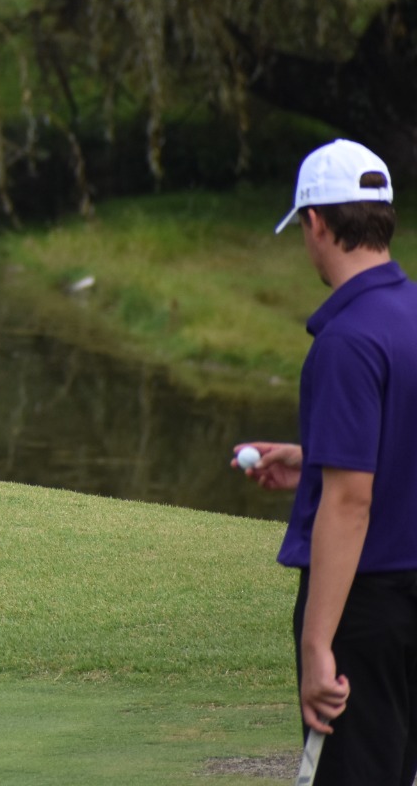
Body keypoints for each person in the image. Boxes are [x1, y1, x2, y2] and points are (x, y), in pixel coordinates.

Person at [237, 138, 417, 784]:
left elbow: (350, 502)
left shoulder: (346, 340)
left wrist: (318, 645)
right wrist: (313, 457)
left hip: (363, 610)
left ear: (315, 223)